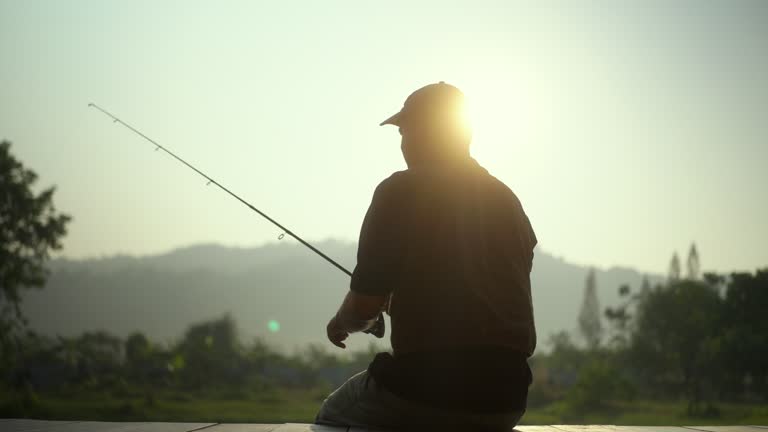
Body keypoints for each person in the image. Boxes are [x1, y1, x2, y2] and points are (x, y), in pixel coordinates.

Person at [315, 82, 537, 431]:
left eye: (404, 130)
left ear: (422, 131)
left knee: (331, 416)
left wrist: (341, 322)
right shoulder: (509, 202)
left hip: (422, 390)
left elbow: (363, 308)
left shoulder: (400, 190)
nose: (402, 142)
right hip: (507, 400)